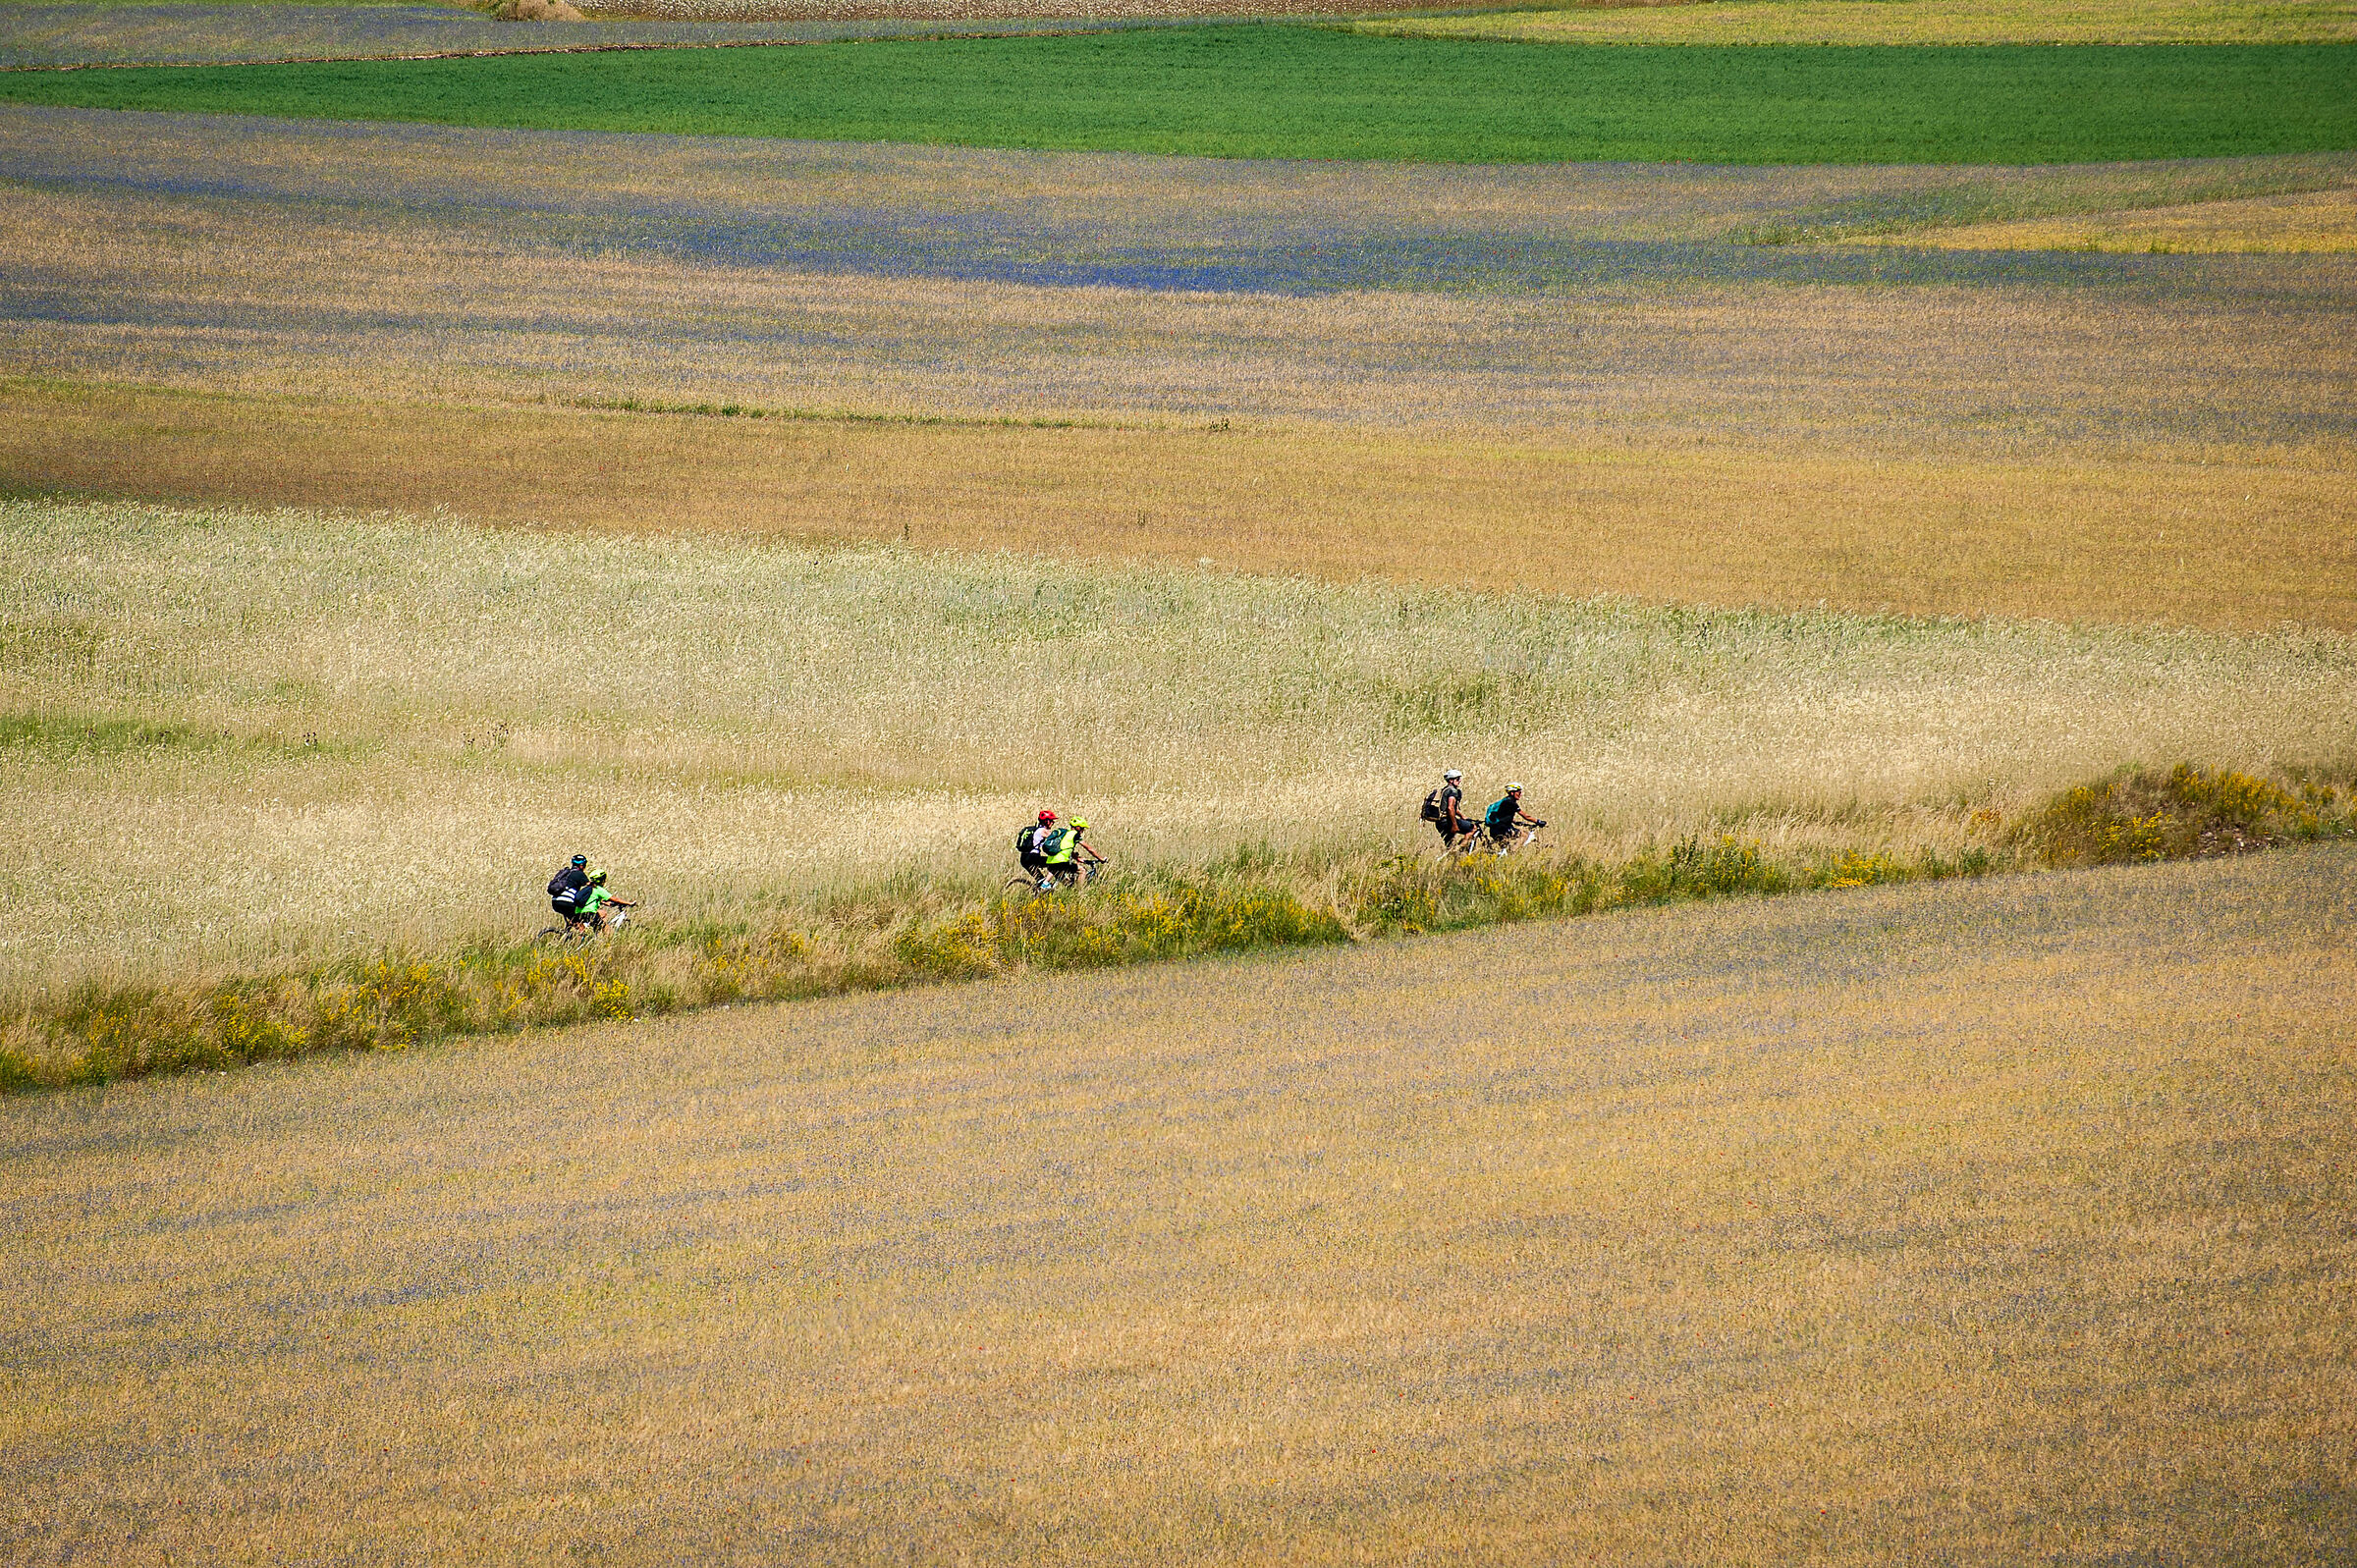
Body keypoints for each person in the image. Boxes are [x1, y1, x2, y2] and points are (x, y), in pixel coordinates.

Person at [1483, 784, 1546, 852]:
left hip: (1494, 830)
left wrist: (1516, 822)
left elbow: (1503, 816)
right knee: (1525, 835)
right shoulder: (1511, 803)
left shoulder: (1504, 801)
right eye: (1519, 792)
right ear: (1512, 793)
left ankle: (1504, 856)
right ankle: (1512, 852)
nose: (1520, 795)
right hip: (1503, 830)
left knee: (1504, 850)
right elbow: (1526, 816)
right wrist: (1538, 821)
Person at [571, 868, 636, 932]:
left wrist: (605, 903)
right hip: (589, 912)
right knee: (604, 926)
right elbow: (615, 899)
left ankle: (583, 940)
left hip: (578, 913)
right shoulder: (598, 889)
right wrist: (629, 903)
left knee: (582, 931)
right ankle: (607, 941)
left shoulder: (587, 888)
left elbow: (592, 899)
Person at [1422, 769, 1474, 848]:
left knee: (1450, 845)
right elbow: (1450, 808)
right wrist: (1454, 825)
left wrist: (1462, 816)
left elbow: (1453, 808)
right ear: (1451, 780)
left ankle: (1452, 856)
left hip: (1439, 823)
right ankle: (1459, 849)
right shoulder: (1453, 791)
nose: (1459, 781)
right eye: (1457, 779)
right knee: (1473, 828)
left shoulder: (1445, 790)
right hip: (1447, 822)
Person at [547, 853, 590, 922]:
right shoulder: (580, 874)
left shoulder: (566, 873)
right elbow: (591, 888)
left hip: (555, 901)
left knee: (574, 921)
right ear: (581, 865)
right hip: (567, 902)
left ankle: (569, 930)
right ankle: (583, 931)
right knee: (582, 919)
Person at [1016, 810, 1058, 880]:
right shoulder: (1043, 831)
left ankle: (1040, 887)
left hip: (1024, 858)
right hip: (1033, 858)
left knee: (1040, 880)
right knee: (1056, 863)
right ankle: (1046, 884)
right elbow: (1057, 841)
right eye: (1051, 821)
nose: (1053, 823)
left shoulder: (1036, 830)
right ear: (1047, 821)